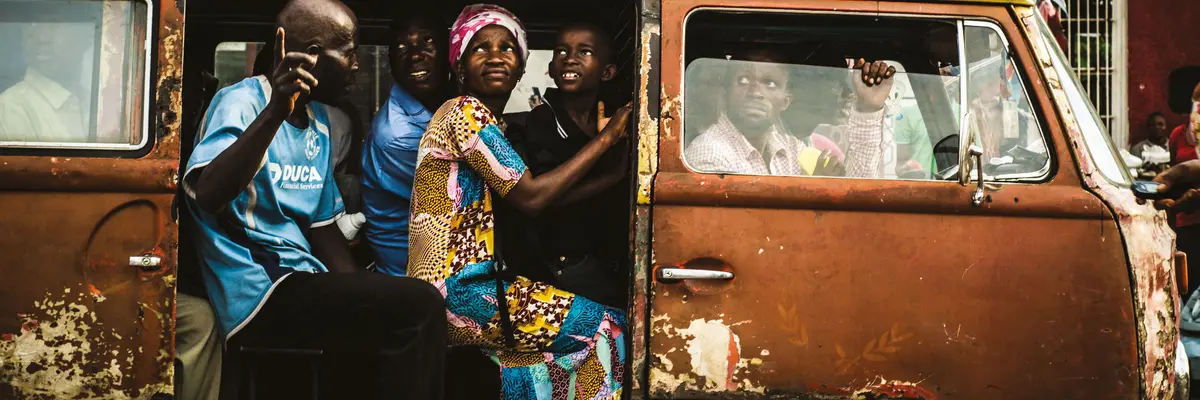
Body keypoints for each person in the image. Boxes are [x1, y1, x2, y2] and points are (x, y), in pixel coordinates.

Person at [182, 1, 445, 398]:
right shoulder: (242, 102)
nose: (357, 65)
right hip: (257, 291)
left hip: (302, 281)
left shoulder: (320, 125)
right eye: (350, 53)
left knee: (402, 307)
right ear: (315, 56)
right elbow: (208, 195)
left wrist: (364, 290)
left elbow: (323, 232)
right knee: (420, 304)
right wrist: (274, 114)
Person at [407, 5, 631, 399]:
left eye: (507, 48)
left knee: (534, 365)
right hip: (462, 291)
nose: (495, 56)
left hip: (475, 286)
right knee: (607, 327)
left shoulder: (497, 126)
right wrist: (608, 137)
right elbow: (531, 197)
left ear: (522, 66)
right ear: (459, 67)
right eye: (480, 49)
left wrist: (612, 177)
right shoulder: (464, 112)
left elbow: (532, 202)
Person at [509, 22, 630, 308]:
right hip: (560, 264)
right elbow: (545, 201)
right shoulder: (542, 121)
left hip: (605, 255)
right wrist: (610, 168)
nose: (570, 58)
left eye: (584, 52)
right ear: (550, 69)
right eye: (561, 51)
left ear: (608, 72)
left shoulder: (615, 118)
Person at [685, 48, 896, 177]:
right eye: (743, 80)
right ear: (725, 91)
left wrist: (868, 108)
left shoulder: (788, 148)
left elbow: (855, 191)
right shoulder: (709, 153)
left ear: (785, 101)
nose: (755, 92)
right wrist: (816, 194)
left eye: (770, 83)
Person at [361, 12, 453, 276]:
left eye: (427, 42)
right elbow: (469, 201)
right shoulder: (398, 135)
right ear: (390, 62)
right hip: (414, 280)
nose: (415, 55)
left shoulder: (446, 105)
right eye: (402, 47)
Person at [0, 22, 94, 142]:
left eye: (55, 24)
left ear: (88, 34)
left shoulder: (98, 103)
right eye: (32, 24)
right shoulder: (9, 109)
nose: (42, 38)